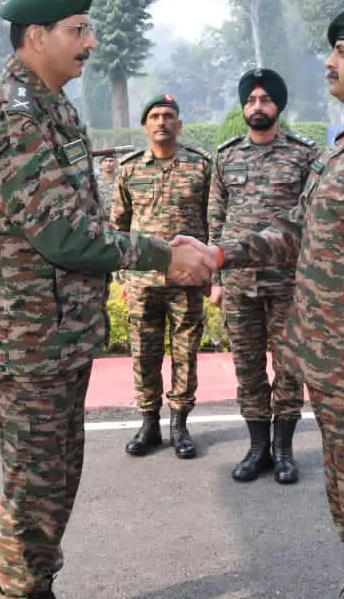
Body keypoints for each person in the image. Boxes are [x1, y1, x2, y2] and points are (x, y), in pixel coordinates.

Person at [0, 0, 215, 599]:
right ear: (36, 35)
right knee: (35, 486)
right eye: (79, 29)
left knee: (55, 478)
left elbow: (80, 221)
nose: (91, 42)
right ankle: (22, 590)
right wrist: (160, 255)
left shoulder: (49, 106)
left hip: (57, 332)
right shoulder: (12, 116)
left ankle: (34, 583)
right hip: (29, 338)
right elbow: (63, 235)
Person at [174, 2, 344, 598]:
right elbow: (296, 230)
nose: (328, 62)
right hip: (334, 370)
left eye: (342, 53)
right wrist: (221, 255)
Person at [208, 68, 319, 484]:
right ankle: (257, 449)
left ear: (278, 105)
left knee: (289, 367)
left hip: (288, 281)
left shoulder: (303, 155)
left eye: (265, 100)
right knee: (247, 367)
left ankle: (284, 450)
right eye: (251, 100)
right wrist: (215, 279)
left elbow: (311, 219)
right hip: (238, 282)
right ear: (243, 107)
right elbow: (215, 218)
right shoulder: (227, 155)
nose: (258, 106)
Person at [112, 94, 212, 460]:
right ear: (145, 126)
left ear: (179, 124)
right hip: (142, 281)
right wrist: (123, 277)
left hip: (185, 280)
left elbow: (212, 221)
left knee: (185, 353)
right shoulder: (129, 169)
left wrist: (209, 272)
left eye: (169, 115)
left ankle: (180, 425)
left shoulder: (201, 167)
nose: (161, 122)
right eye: (154, 116)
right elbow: (118, 227)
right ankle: (149, 423)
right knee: (144, 352)